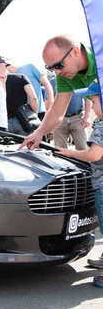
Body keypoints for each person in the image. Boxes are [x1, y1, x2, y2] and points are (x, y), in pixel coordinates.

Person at [19, 35, 103, 273]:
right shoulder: (67, 75)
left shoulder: (100, 56)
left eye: (58, 65)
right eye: (50, 68)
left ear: (75, 51)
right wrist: (38, 133)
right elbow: (57, 109)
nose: (56, 71)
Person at [55, 82, 103, 288]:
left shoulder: (101, 124)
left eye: (93, 102)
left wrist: (71, 152)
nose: (92, 107)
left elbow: (94, 154)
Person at [48, 73, 91, 150]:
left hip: (78, 118)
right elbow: (49, 102)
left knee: (83, 147)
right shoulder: (52, 82)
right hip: (59, 120)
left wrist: (87, 117)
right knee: (59, 150)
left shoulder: (79, 80)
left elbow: (87, 99)